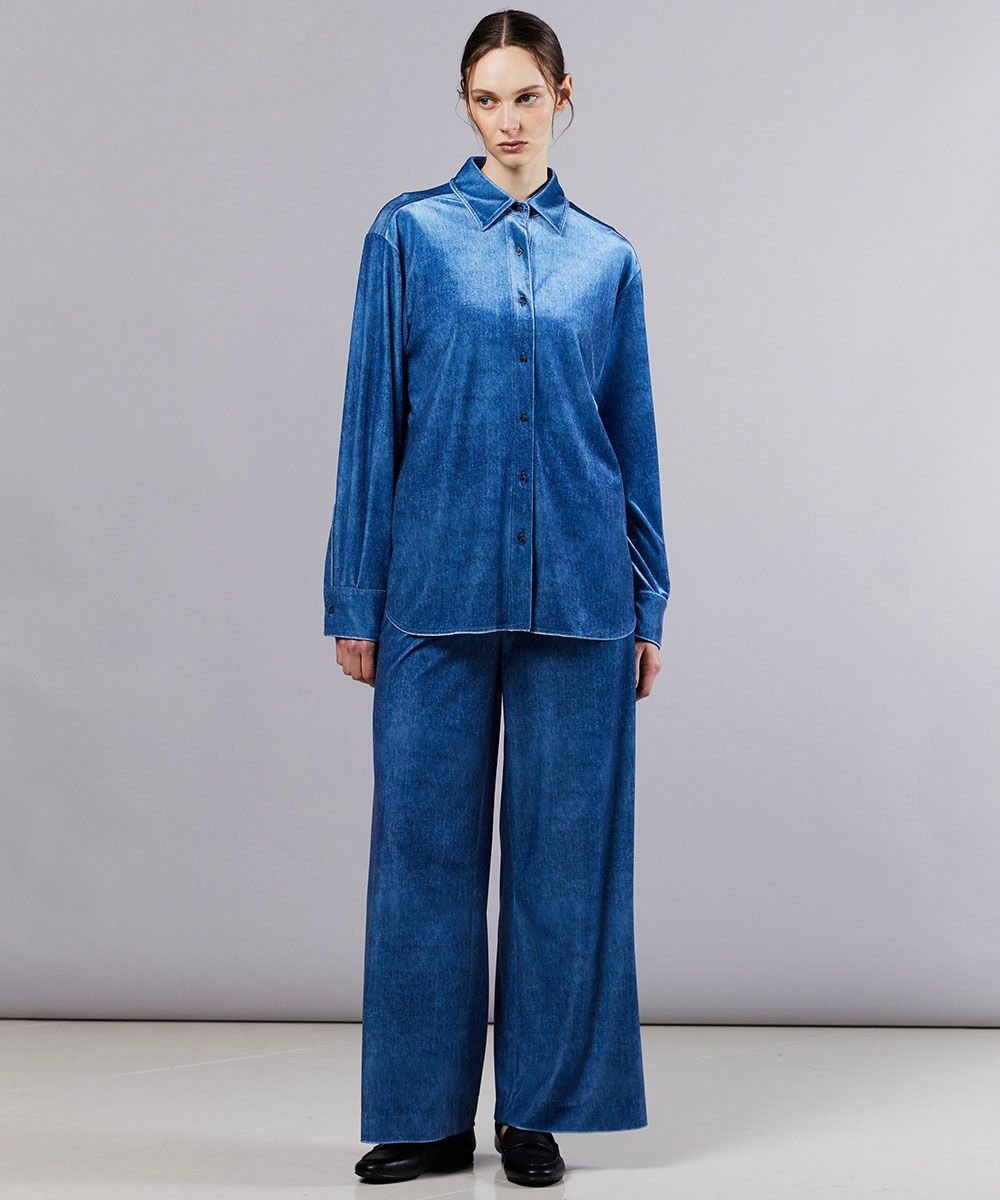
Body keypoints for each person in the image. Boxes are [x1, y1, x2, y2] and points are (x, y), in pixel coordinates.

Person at [322, 8, 671, 1187]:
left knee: (566, 866)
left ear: (564, 98)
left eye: (527, 97)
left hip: (581, 594)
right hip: (433, 587)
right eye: (486, 99)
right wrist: (354, 594)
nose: (508, 120)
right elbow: (371, 418)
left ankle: (535, 1114)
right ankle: (424, 1120)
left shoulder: (607, 260)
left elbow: (629, 439)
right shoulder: (408, 235)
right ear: (464, 106)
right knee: (420, 858)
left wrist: (648, 604)